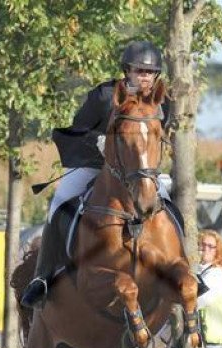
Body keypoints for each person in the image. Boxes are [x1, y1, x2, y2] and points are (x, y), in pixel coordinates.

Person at [20, 40, 170, 309]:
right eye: (139, 71)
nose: (145, 76)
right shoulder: (104, 95)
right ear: (128, 70)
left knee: (169, 206)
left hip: (139, 171)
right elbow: (79, 128)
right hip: (95, 164)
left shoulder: (162, 102)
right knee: (59, 204)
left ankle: (183, 266)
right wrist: (99, 141)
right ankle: (42, 277)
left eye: (149, 72)